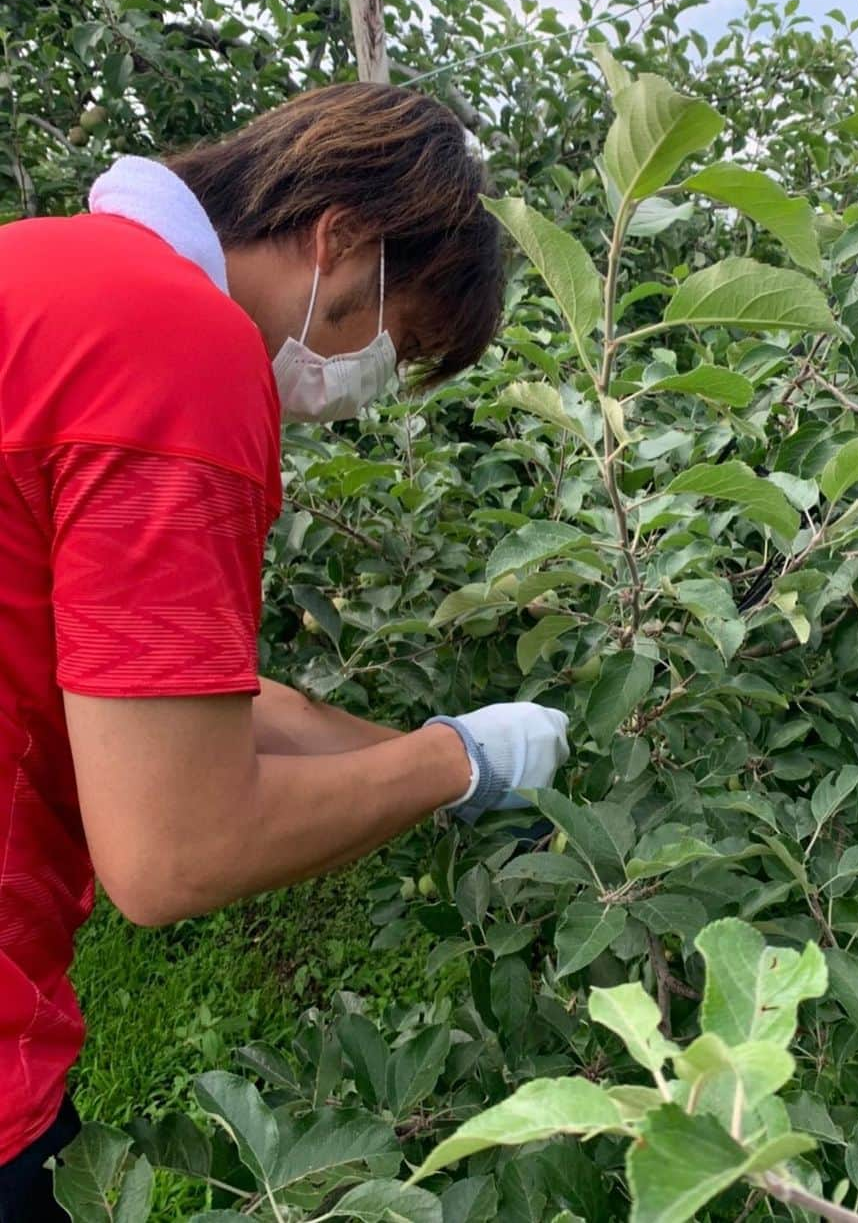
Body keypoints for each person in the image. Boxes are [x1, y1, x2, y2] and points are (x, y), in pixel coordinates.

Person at [0, 81, 571, 1222]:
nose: (364, 386)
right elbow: (172, 855)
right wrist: (456, 764)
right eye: (389, 339)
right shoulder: (173, 346)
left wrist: (421, 761)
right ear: (344, 239)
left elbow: (176, 698)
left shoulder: (37, 267)